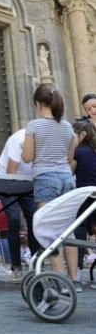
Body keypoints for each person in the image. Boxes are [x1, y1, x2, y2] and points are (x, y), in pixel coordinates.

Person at [22, 85, 78, 284]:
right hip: (66, 179)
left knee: (47, 228)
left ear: (38, 104)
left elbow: (27, 157)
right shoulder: (67, 127)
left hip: (46, 178)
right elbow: (70, 157)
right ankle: (73, 278)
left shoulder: (34, 126)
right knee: (68, 229)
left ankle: (58, 277)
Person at [0, 128, 40, 282]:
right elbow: (11, 171)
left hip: (28, 181)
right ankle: (16, 267)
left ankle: (35, 266)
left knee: (34, 219)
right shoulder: (18, 140)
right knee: (14, 220)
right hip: (7, 179)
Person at [71, 119, 96, 290]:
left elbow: (69, 171)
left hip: (83, 196)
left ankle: (77, 273)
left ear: (82, 135)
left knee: (78, 234)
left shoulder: (78, 152)